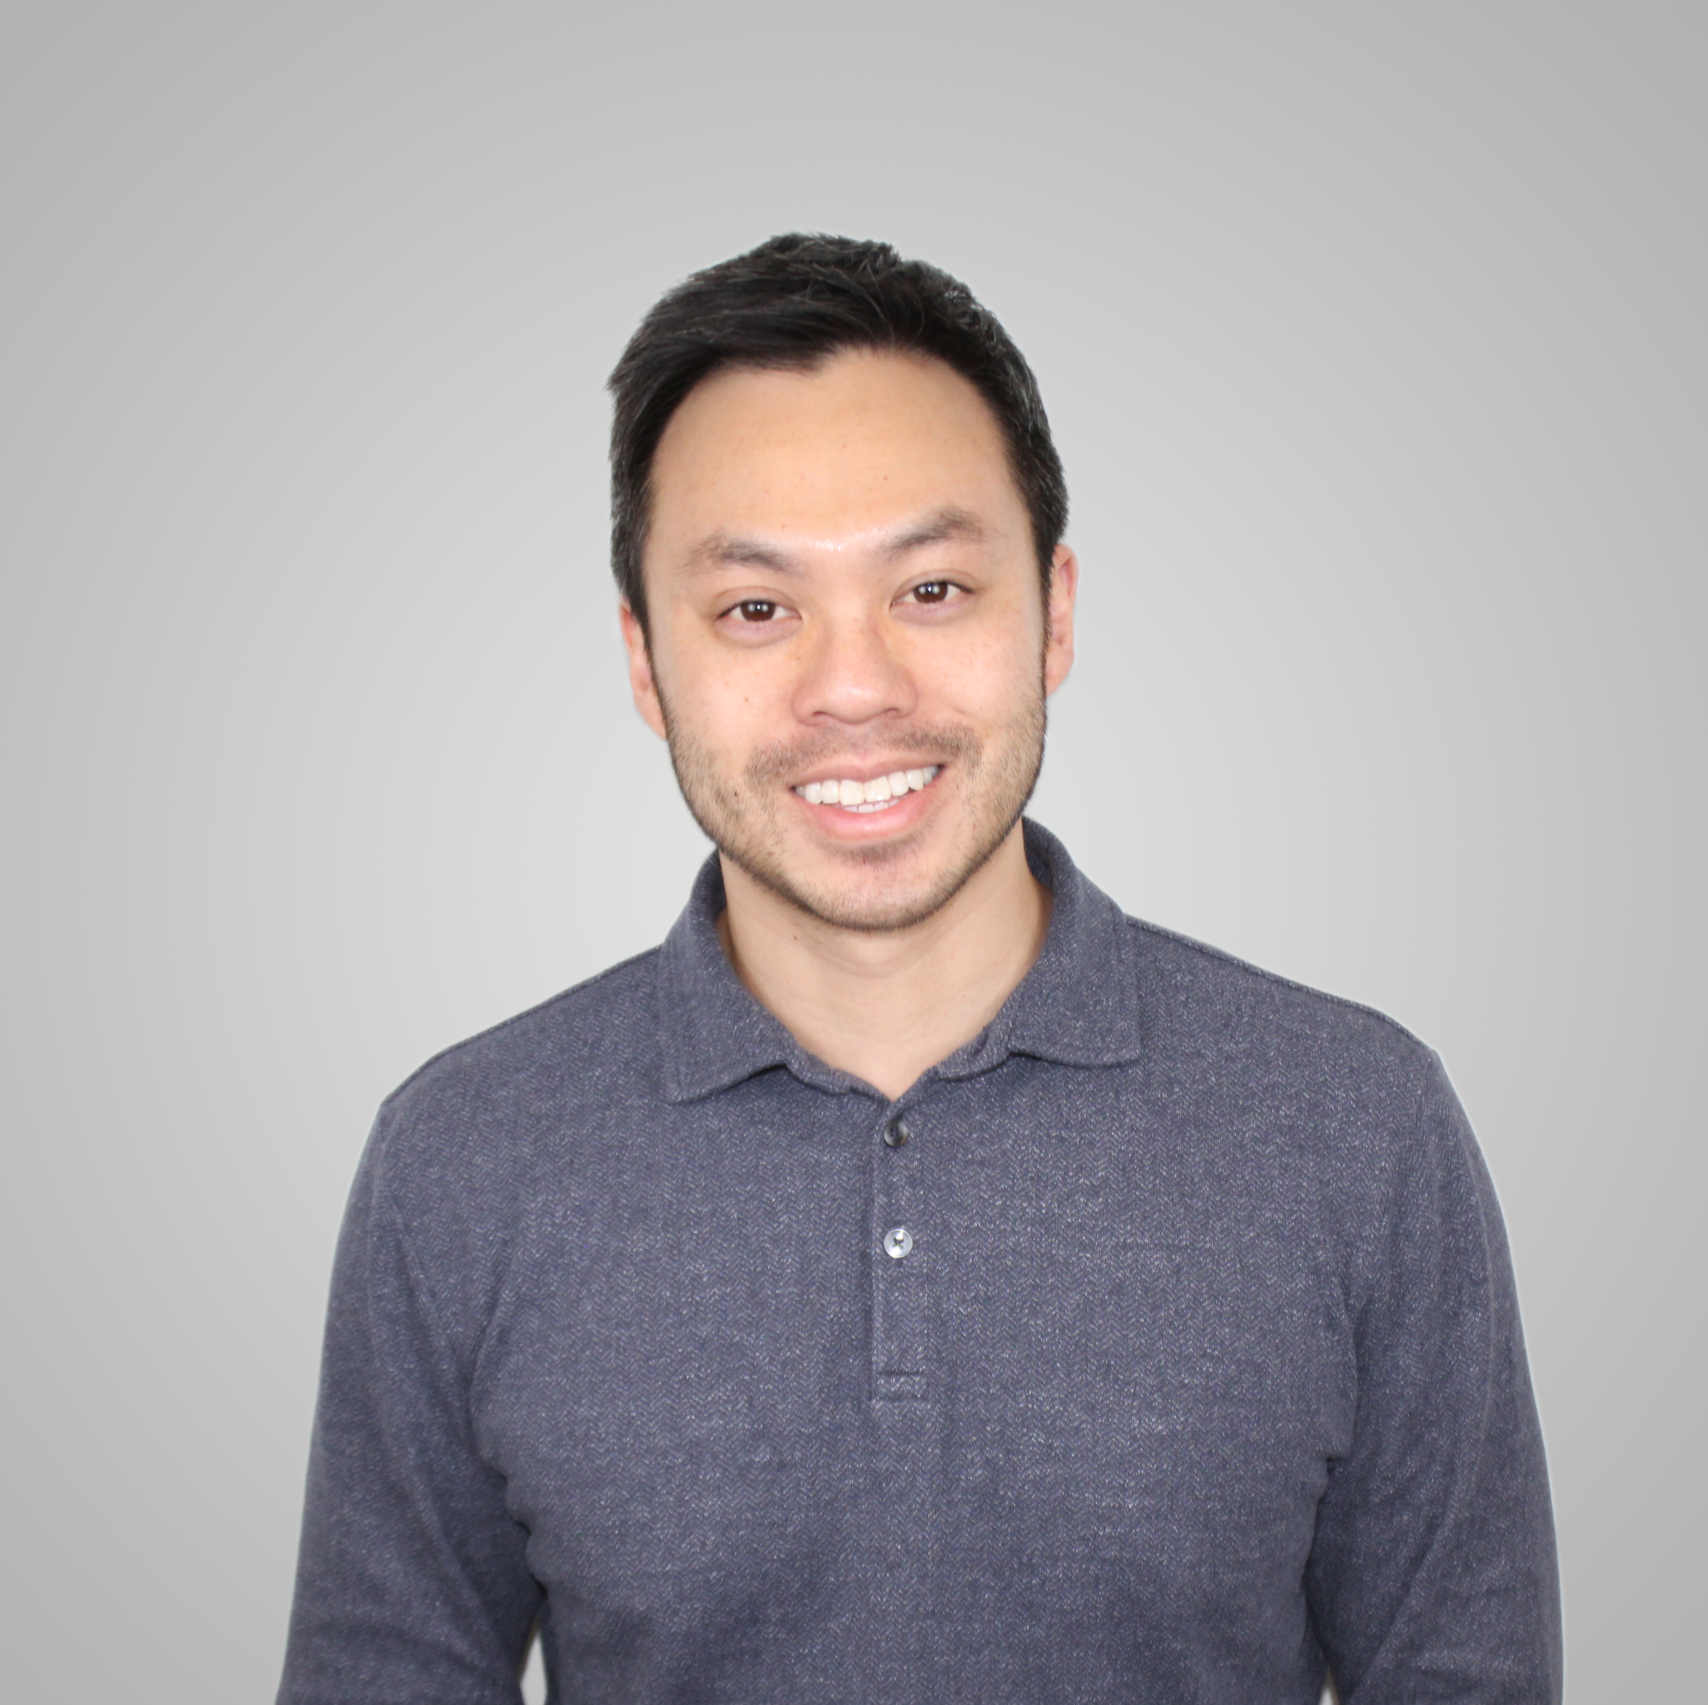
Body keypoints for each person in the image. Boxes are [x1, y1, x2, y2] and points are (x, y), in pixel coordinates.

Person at [277, 234, 1562, 1704]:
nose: (854, 688)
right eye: (756, 609)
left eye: (934, 589)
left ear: (1055, 613)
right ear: (644, 663)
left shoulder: (1356, 1125)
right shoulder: (461, 1159)